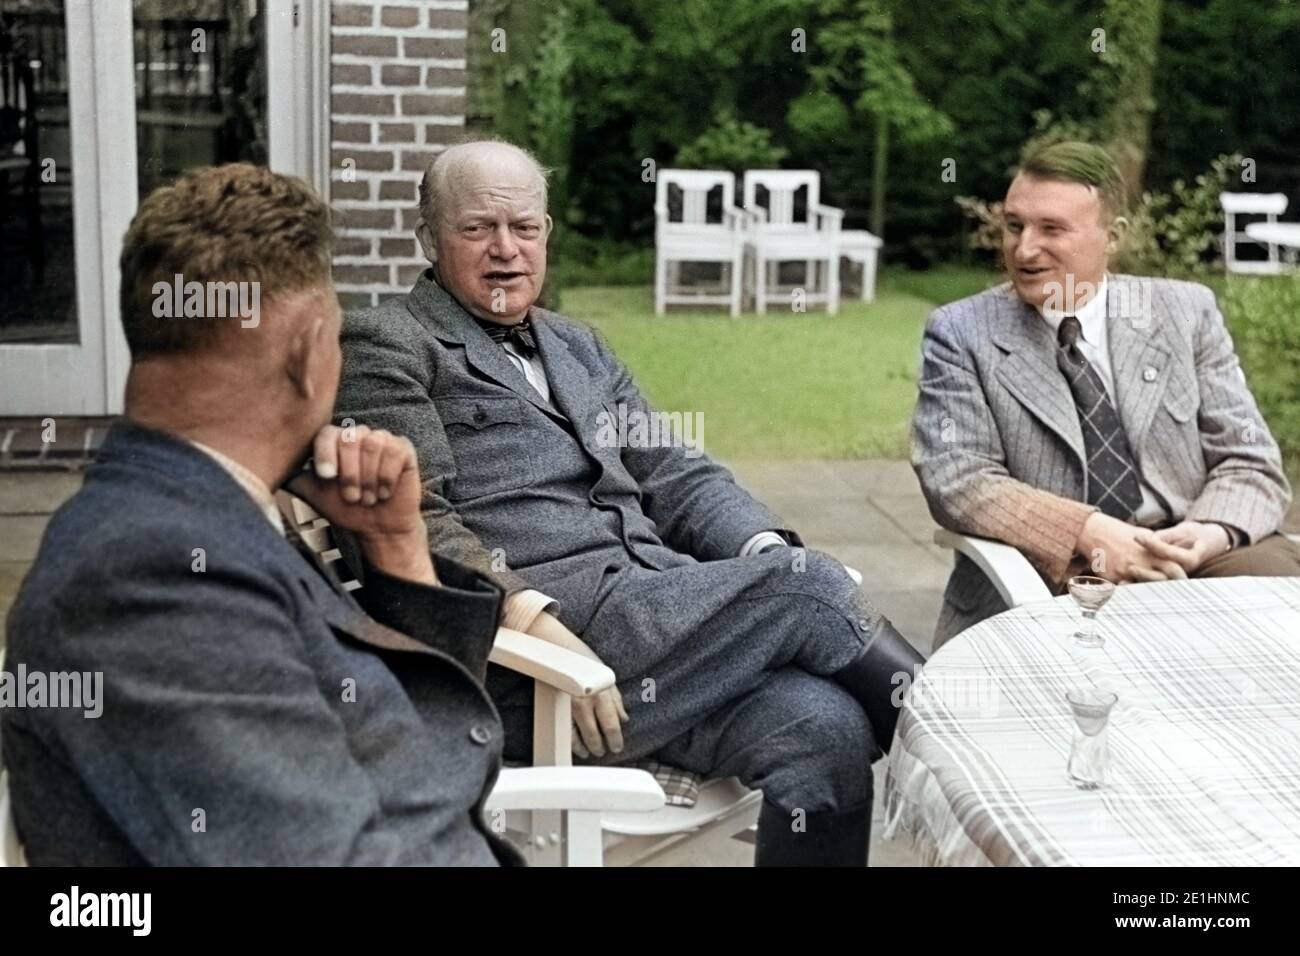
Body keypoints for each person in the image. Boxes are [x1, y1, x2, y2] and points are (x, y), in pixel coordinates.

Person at [336, 140, 926, 866]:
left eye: (524, 228)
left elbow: (676, 472)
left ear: (547, 233)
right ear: (428, 239)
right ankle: (978, 761)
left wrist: (761, 551)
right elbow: (415, 520)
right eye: (477, 229)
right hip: (539, 670)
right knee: (807, 591)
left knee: (825, 729)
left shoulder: (578, 346)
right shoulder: (385, 343)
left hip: (660, 628)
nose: (506, 250)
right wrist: (533, 621)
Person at [2, 163, 520, 865]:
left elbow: (411, 755)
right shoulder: (147, 574)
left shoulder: (212, 513)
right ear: (311, 355)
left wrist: (399, 550)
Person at [912, 140, 1297, 648]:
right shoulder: (961, 332)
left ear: (1111, 237)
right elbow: (957, 478)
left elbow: (1249, 460)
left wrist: (1205, 533)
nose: (1025, 249)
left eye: (1051, 229)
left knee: (1280, 609)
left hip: (1190, 554)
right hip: (1053, 570)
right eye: (1014, 226)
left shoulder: (1185, 311)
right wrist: (1090, 532)